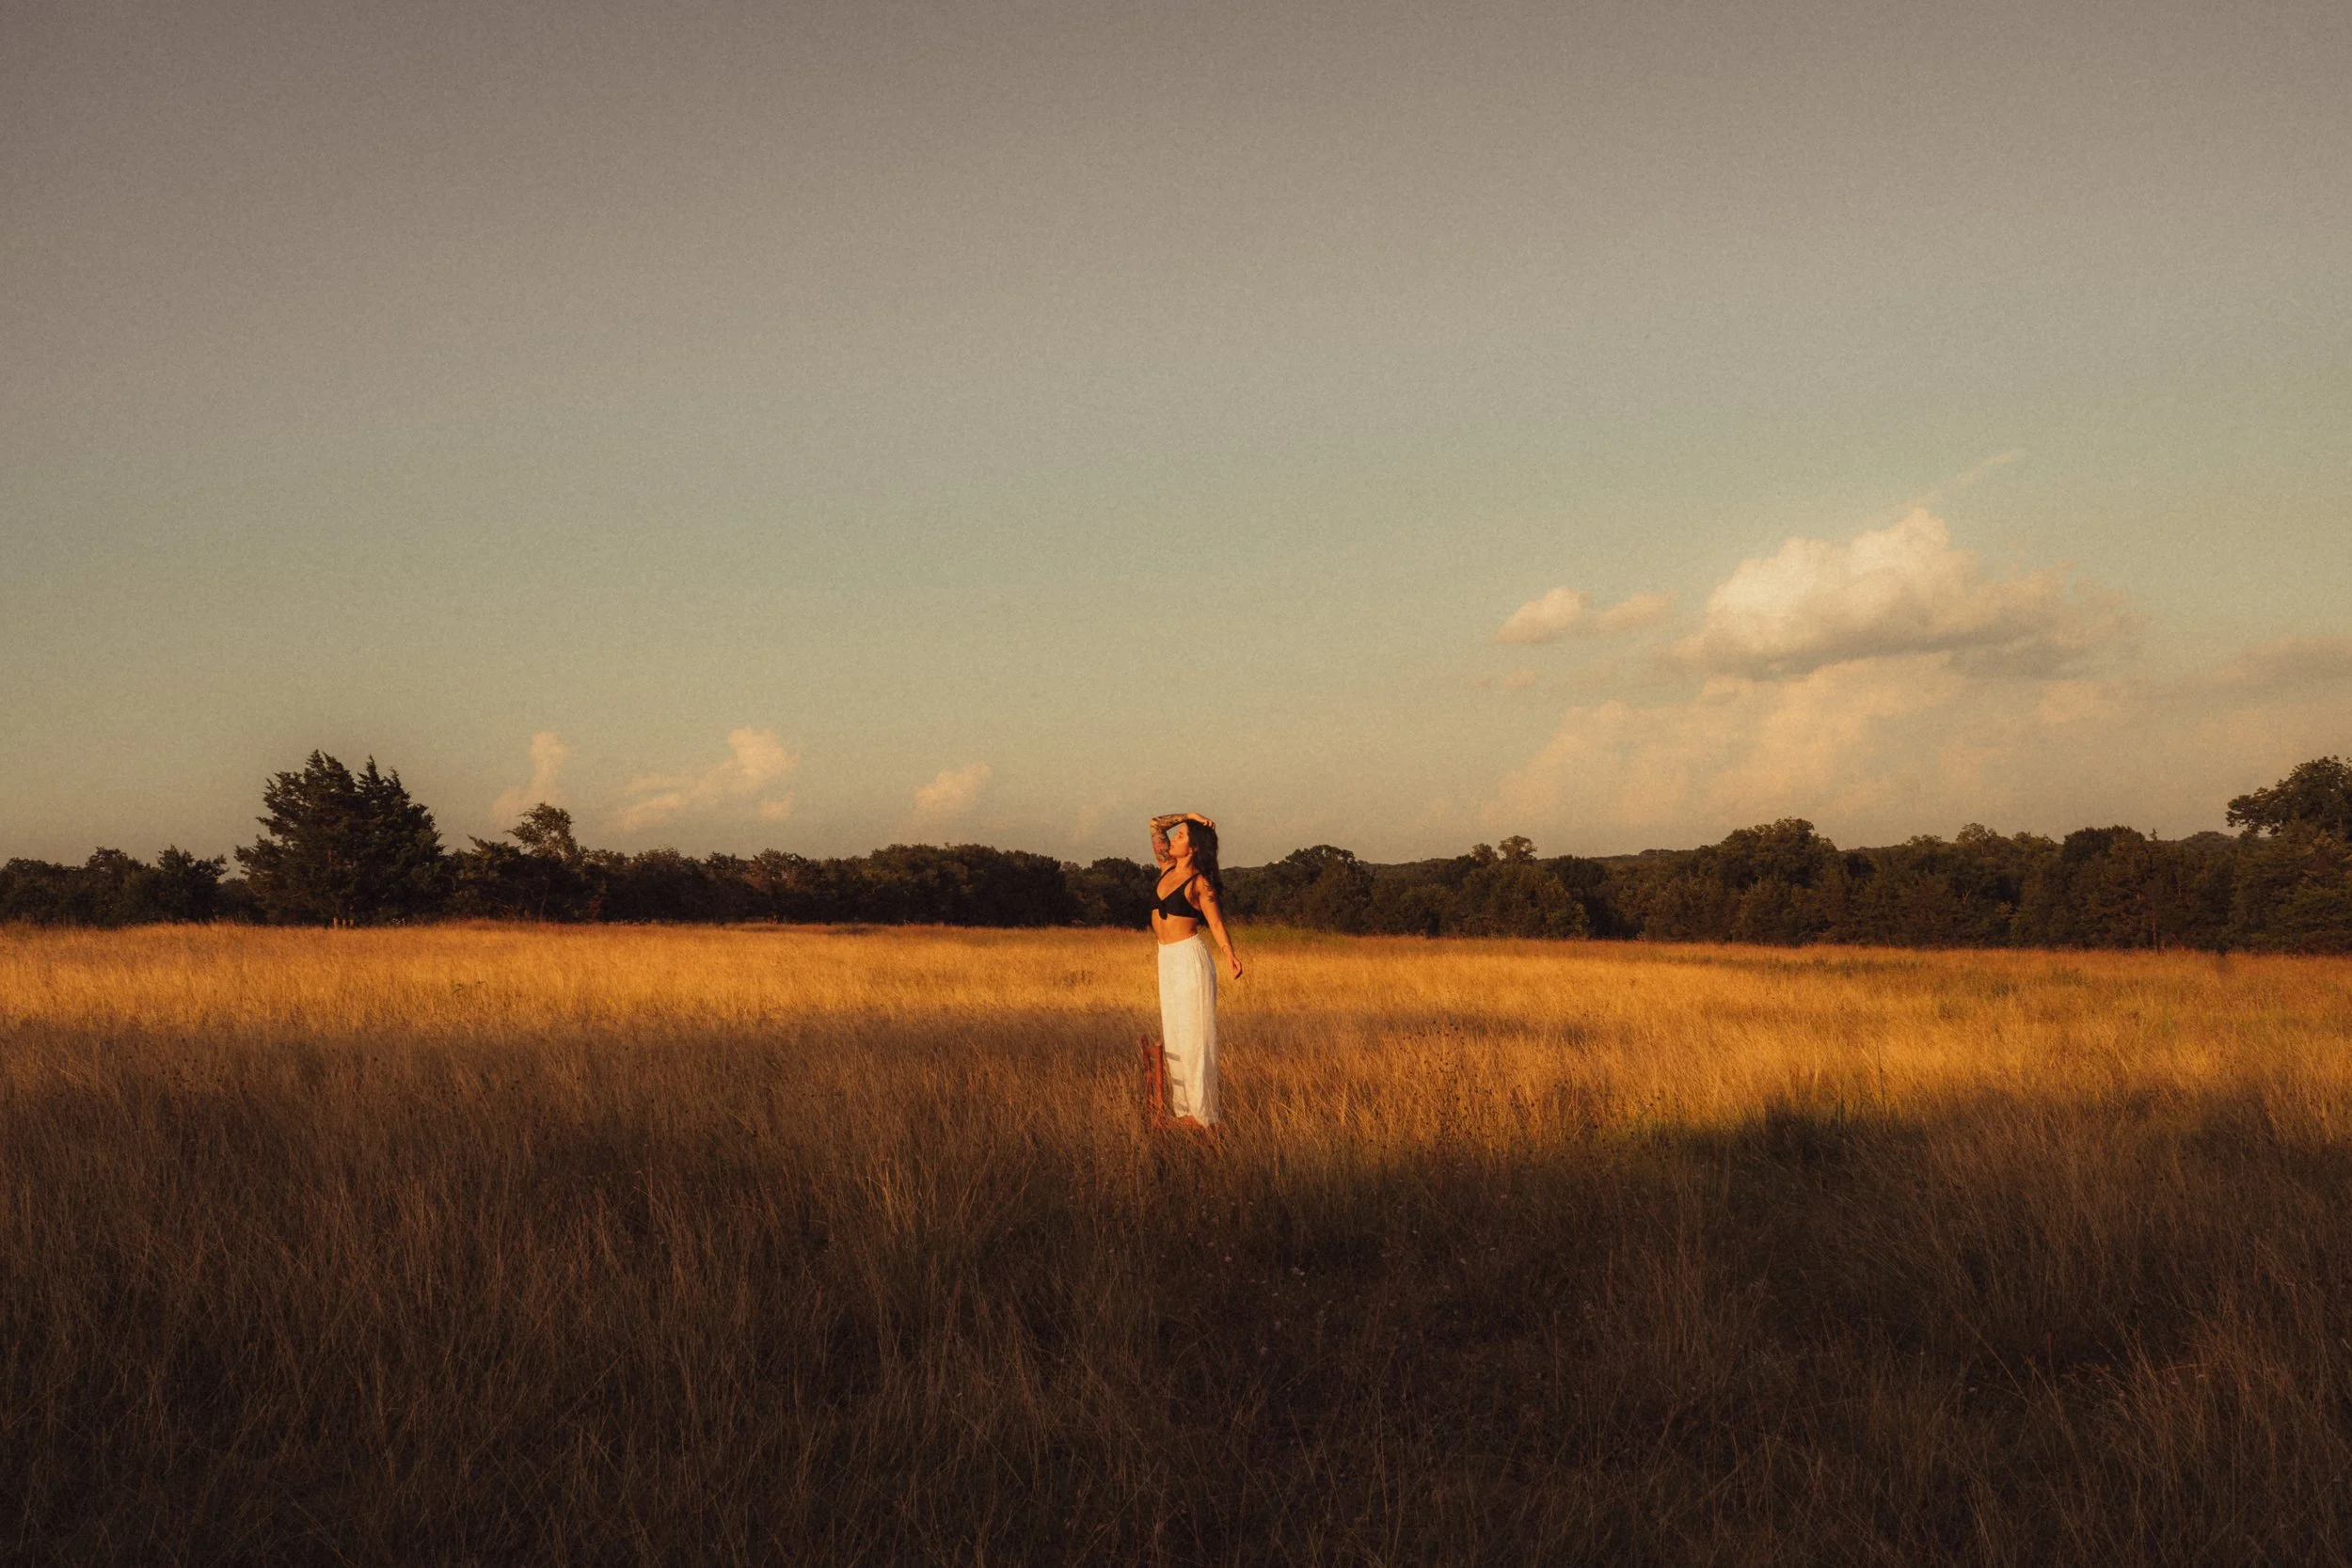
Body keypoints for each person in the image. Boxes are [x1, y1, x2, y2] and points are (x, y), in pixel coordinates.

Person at [1148, 811, 1242, 1128]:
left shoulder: (1199, 883)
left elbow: (1215, 922)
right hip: (1166, 958)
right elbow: (1155, 825)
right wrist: (1188, 816)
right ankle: (1183, 1110)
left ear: (1194, 848)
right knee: (1174, 1035)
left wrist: (1230, 955)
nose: (1173, 838)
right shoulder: (1166, 867)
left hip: (1189, 961)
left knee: (1194, 1036)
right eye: (1176, 835)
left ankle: (1203, 1116)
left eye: (1182, 836)